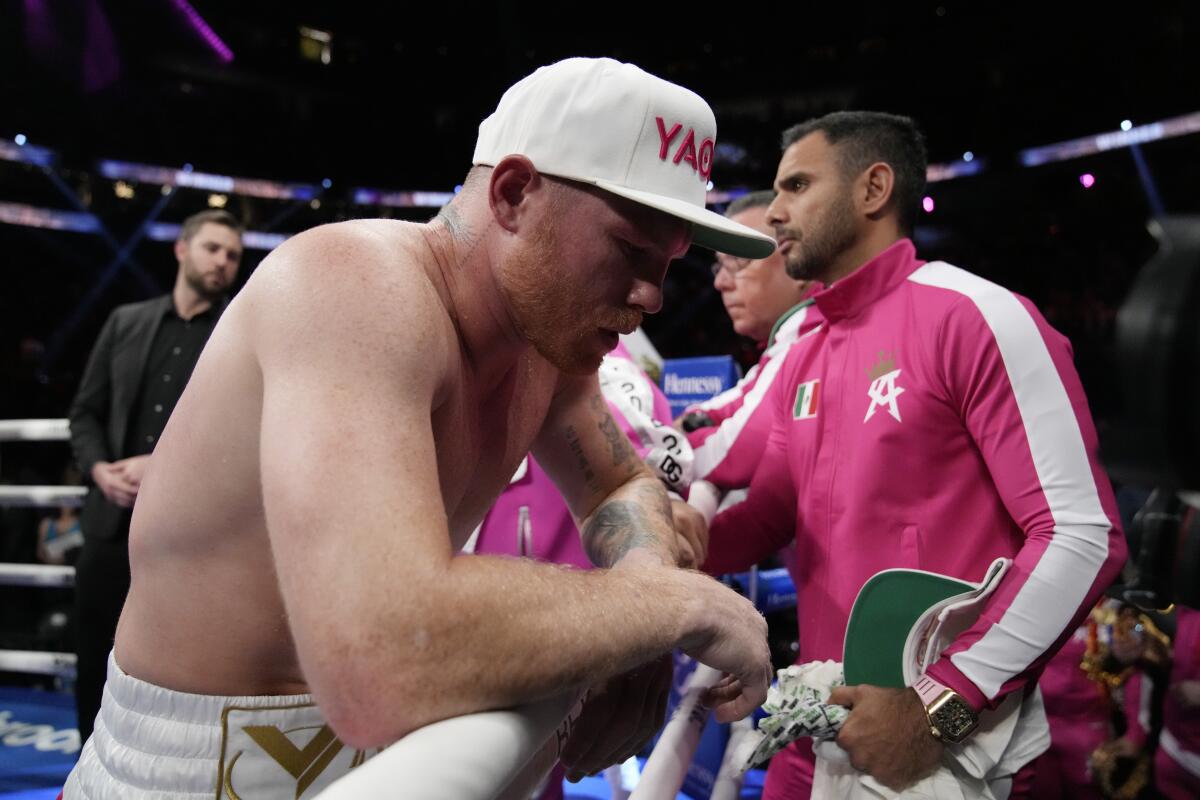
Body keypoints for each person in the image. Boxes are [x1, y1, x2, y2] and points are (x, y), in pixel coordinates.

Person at [63, 57, 775, 799]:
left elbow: (617, 484)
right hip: (192, 768)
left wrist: (643, 587)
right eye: (631, 249)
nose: (653, 295)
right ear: (514, 193)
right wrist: (668, 608)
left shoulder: (544, 341)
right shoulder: (352, 286)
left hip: (395, 752)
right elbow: (379, 658)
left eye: (669, 262)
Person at [702, 111, 1127, 797]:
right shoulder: (804, 347)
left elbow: (1082, 534)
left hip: (943, 742)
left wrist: (941, 704)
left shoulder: (975, 315)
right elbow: (770, 514)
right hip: (818, 727)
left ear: (873, 189)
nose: (775, 213)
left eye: (797, 186)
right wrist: (666, 546)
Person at [66, 209, 243, 742]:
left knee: (170, 678)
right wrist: (99, 468)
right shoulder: (126, 322)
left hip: (187, 540)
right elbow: (85, 413)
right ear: (182, 250)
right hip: (108, 526)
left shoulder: (236, 333)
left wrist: (161, 468)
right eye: (213, 249)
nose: (223, 263)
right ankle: (80, 777)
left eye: (233, 255)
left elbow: (242, 431)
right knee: (92, 659)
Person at [679, 190, 820, 489]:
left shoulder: (814, 337)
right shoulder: (793, 337)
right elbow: (735, 401)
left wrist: (664, 447)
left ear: (798, 263)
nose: (720, 282)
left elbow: (732, 455)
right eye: (721, 265)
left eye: (738, 262)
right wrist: (693, 422)